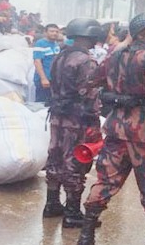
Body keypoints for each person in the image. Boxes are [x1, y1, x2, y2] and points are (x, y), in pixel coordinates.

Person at [76, 13, 145, 245]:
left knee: (105, 181)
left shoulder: (115, 55)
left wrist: (115, 96)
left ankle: (86, 238)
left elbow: (92, 81)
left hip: (117, 129)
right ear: (141, 32)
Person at [43, 18, 102, 229]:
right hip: (78, 119)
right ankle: (72, 212)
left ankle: (51, 204)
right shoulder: (86, 61)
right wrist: (94, 122)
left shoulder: (61, 55)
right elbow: (90, 94)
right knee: (76, 162)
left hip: (58, 116)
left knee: (55, 158)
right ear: (93, 37)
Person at [33, 24, 61, 102]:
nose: (54, 33)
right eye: (52, 31)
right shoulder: (40, 43)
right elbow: (37, 61)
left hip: (53, 79)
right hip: (44, 79)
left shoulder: (56, 44)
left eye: (56, 32)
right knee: (42, 104)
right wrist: (43, 78)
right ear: (45, 32)